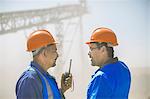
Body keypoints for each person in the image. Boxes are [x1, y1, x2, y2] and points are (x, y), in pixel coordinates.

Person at [16, 30, 72, 99]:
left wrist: (62, 90)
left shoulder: (47, 78)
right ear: (44, 53)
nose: (57, 55)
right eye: (54, 51)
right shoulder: (29, 80)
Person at [86, 27, 131, 99]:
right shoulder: (123, 68)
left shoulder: (101, 77)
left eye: (91, 49)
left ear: (103, 49)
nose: (89, 53)